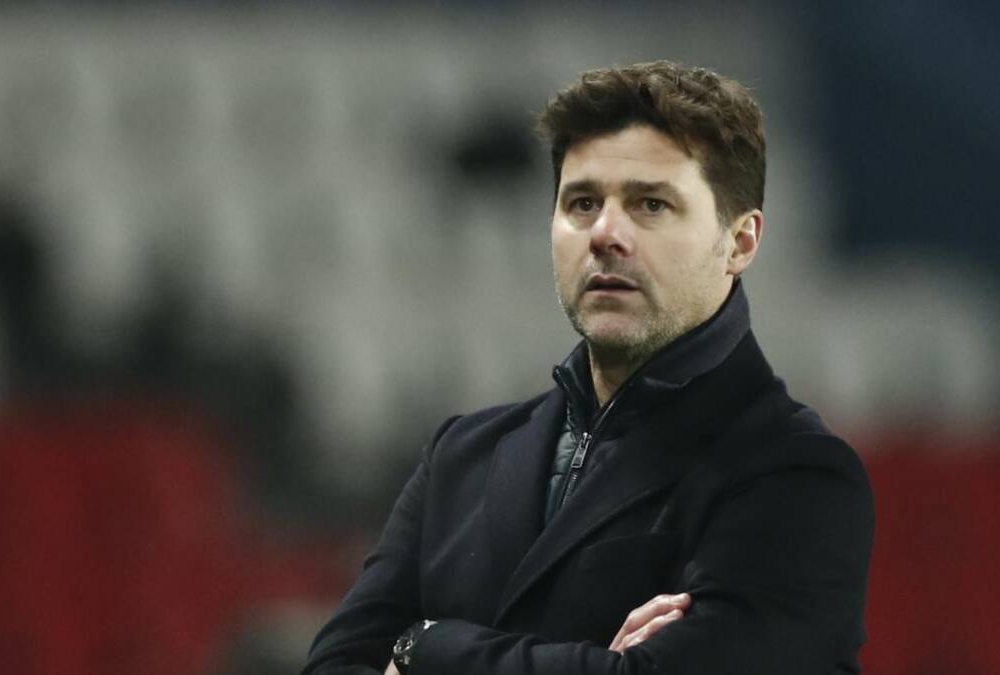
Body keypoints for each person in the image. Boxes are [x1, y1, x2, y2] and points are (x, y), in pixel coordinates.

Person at [301, 60, 874, 675]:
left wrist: (424, 648)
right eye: (581, 202)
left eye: (651, 204)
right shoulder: (461, 457)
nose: (604, 233)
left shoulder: (795, 475)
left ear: (740, 242)